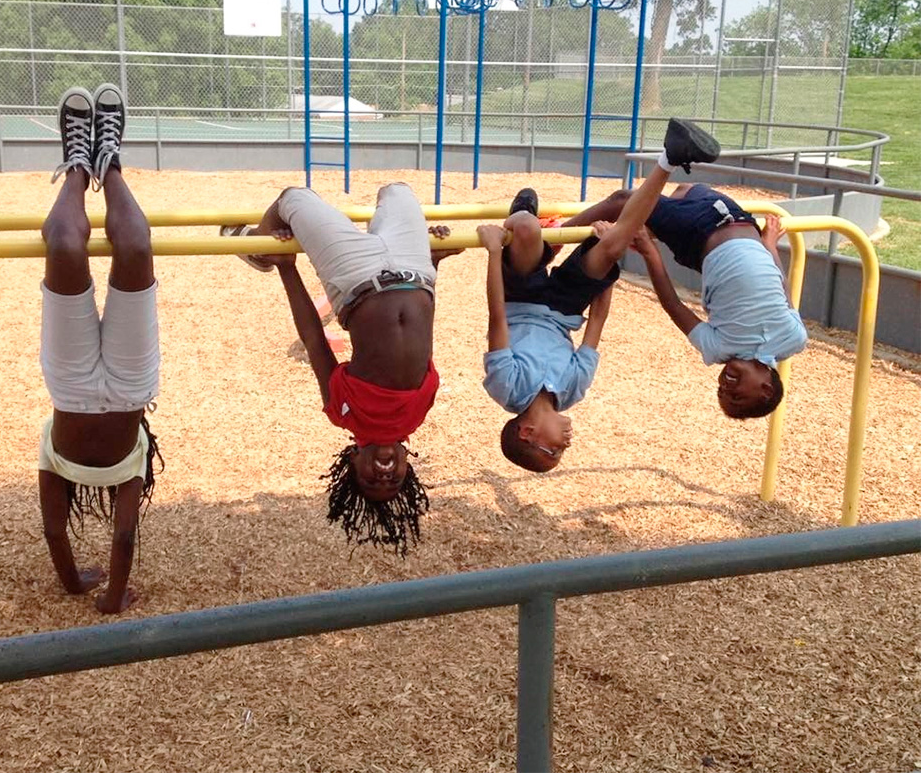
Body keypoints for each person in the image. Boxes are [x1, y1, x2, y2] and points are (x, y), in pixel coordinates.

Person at [221, 184, 459, 556]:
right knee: (396, 191)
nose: (383, 475)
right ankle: (263, 242)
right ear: (406, 469)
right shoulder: (420, 413)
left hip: (356, 277)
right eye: (393, 482)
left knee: (292, 198)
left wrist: (287, 269)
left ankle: (257, 248)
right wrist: (434, 262)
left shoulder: (343, 411)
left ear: (353, 461)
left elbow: (315, 341)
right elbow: (423, 329)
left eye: (370, 480)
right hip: (415, 270)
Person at [477, 118, 721, 472]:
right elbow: (597, 322)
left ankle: (528, 224)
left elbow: (496, 316)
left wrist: (495, 251)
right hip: (563, 309)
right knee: (614, 237)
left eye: (553, 452)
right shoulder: (573, 390)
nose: (566, 446)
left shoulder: (507, 388)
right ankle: (670, 157)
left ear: (527, 432)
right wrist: (607, 260)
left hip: (519, 300)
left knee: (526, 228)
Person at [38, 84, 163, 614]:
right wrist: (111, 597)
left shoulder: (53, 460)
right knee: (135, 246)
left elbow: (52, 529)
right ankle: (109, 162)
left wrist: (76, 585)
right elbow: (124, 539)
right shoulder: (132, 464)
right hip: (131, 387)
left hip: (69, 387)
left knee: (64, 245)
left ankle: (77, 165)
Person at [565, 179, 807, 419]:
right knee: (686, 190)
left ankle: (553, 238)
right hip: (741, 223)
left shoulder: (718, 349)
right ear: (766, 390)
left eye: (720, 392)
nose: (726, 387)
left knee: (623, 201)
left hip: (697, 236)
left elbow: (673, 305)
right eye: (736, 396)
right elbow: (782, 288)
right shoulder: (793, 339)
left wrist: (650, 252)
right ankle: (643, 225)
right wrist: (770, 246)